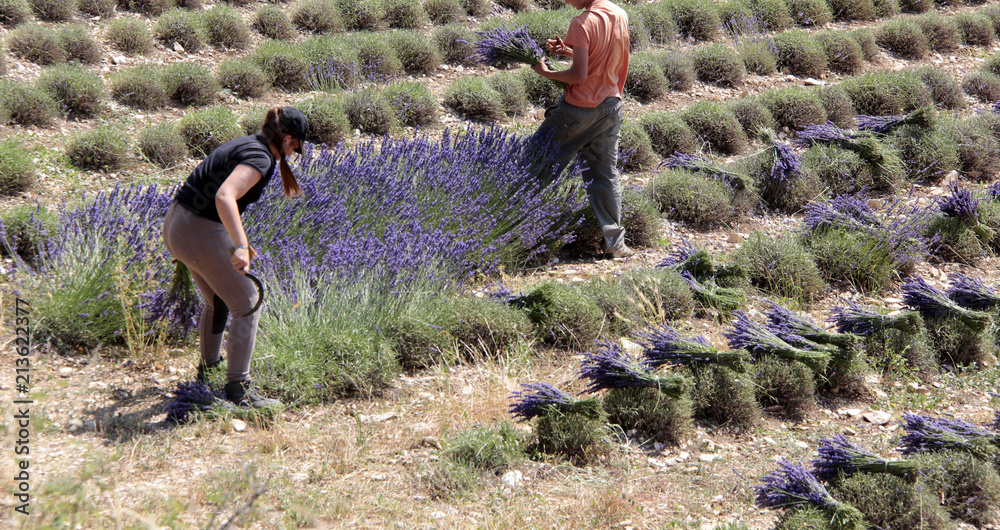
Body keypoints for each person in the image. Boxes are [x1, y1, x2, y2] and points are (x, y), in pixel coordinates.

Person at [162, 106, 308, 408]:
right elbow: (224, 196)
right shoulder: (261, 157)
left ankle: (209, 370)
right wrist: (240, 245)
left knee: (218, 302)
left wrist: (190, 244)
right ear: (287, 139)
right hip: (196, 230)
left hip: (179, 224)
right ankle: (238, 388)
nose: (295, 153)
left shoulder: (246, 144)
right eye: (297, 147)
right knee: (248, 302)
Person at [530, 0, 633, 259]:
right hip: (611, 106)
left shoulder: (581, 23)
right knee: (604, 174)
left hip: (578, 110)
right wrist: (568, 51)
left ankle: (515, 233)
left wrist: (546, 72)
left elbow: (578, 76)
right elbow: (607, 54)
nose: (565, 1)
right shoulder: (619, 14)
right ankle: (616, 245)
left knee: (534, 164)